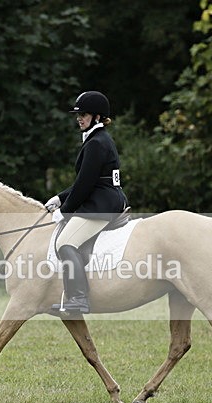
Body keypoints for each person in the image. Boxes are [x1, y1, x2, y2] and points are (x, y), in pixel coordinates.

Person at [45, 90, 128, 314]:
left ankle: (78, 299)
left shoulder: (96, 143)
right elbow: (87, 180)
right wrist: (60, 197)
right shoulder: (97, 140)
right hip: (105, 198)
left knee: (65, 243)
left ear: (98, 117)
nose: (79, 118)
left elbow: (85, 185)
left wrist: (66, 210)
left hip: (101, 205)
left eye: (85, 114)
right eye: (78, 114)